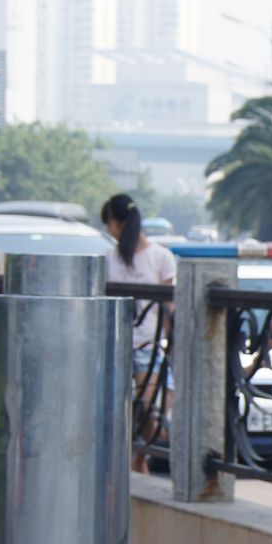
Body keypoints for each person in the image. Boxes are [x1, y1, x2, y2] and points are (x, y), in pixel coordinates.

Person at [101, 193, 176, 473]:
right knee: (126, 407)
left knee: (147, 404)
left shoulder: (161, 257)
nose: (108, 230)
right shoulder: (110, 258)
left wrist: (173, 345)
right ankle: (138, 460)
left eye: (109, 222)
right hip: (116, 346)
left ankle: (141, 459)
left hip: (148, 344)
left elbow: (169, 307)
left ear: (118, 222)